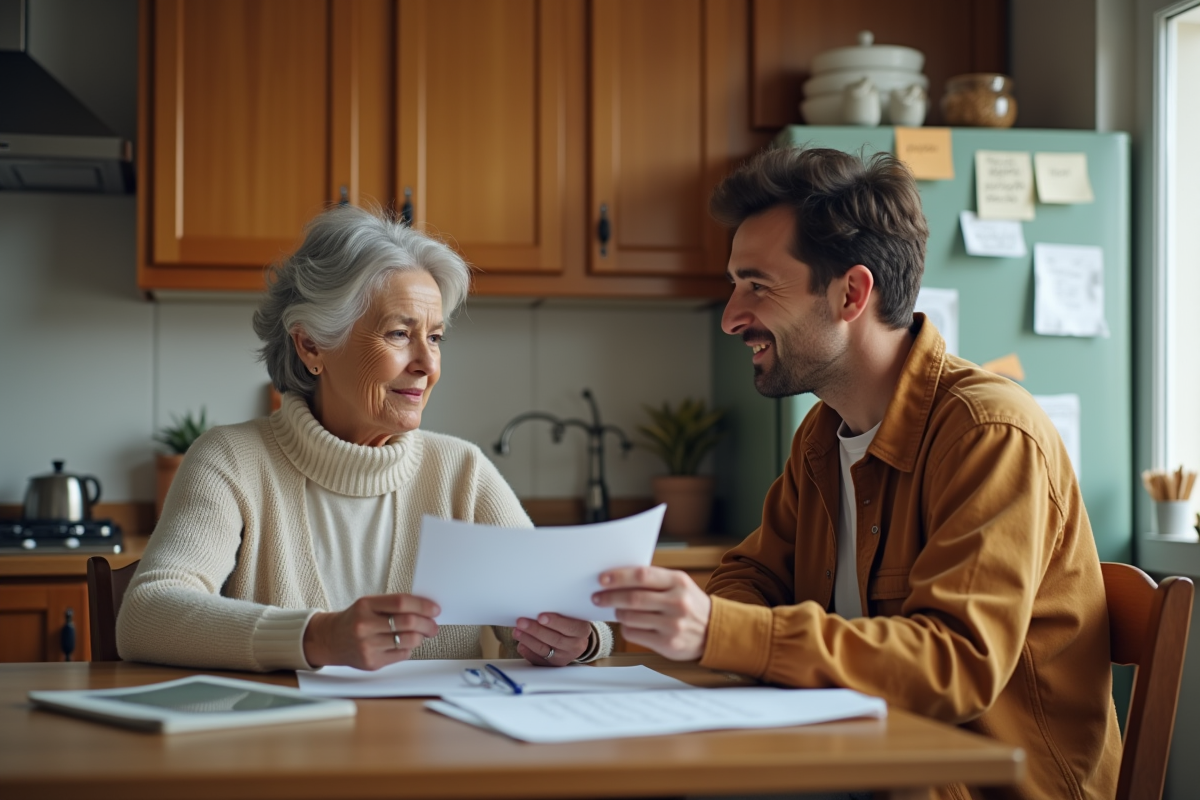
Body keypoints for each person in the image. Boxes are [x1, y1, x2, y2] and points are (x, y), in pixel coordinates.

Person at [593, 147, 1120, 799]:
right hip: (857, 769)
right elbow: (752, 576)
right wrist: (712, 625)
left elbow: (956, 664)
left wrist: (722, 631)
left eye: (757, 286)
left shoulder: (989, 434)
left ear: (851, 293)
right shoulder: (823, 435)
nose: (731, 317)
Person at [118, 205, 612, 672]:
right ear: (312, 345)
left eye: (435, 337)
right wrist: (317, 637)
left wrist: (580, 638)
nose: (428, 364)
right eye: (399, 334)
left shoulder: (461, 472)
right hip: (289, 732)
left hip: (435, 733)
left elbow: (567, 619)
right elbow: (146, 614)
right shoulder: (232, 460)